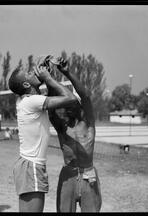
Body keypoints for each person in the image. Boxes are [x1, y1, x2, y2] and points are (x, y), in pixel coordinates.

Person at [8, 55, 78, 212]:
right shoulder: (32, 102)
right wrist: (48, 78)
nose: (34, 71)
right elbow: (71, 98)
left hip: (27, 164)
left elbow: (39, 91)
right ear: (26, 83)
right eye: (29, 73)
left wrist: (45, 74)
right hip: (32, 166)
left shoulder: (26, 100)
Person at [47, 58, 102, 212]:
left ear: (79, 106)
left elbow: (86, 97)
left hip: (88, 175)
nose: (67, 108)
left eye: (71, 104)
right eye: (65, 105)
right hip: (68, 176)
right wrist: (49, 80)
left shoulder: (89, 124)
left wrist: (67, 72)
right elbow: (50, 110)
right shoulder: (62, 127)